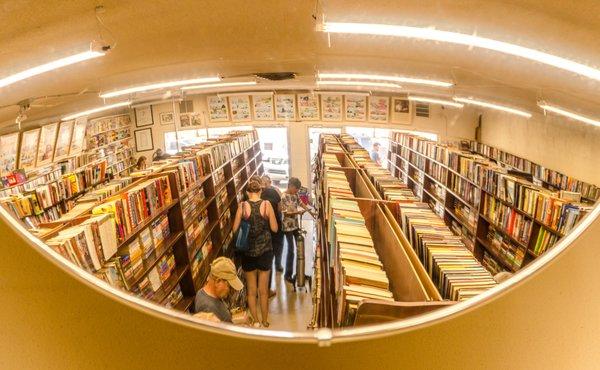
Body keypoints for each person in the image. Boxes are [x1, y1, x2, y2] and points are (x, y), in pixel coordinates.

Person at [233, 176, 278, 327]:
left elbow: (234, 229)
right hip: (265, 251)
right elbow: (274, 228)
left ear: (247, 192)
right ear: (260, 191)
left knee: (251, 291)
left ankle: (256, 322)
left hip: (248, 253)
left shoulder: (242, 206)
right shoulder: (266, 205)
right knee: (263, 291)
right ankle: (265, 320)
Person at [281, 177, 316, 284]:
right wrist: (298, 213)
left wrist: (310, 212)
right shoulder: (283, 197)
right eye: (296, 189)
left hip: (296, 225)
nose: (297, 192)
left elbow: (301, 203)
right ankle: (288, 274)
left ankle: (300, 273)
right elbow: (285, 213)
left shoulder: (295, 195)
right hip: (287, 227)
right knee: (291, 250)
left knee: (300, 249)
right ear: (291, 186)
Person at [194, 256, 243, 323]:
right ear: (218, 281)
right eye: (229, 286)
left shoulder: (202, 292)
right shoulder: (208, 308)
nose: (229, 290)